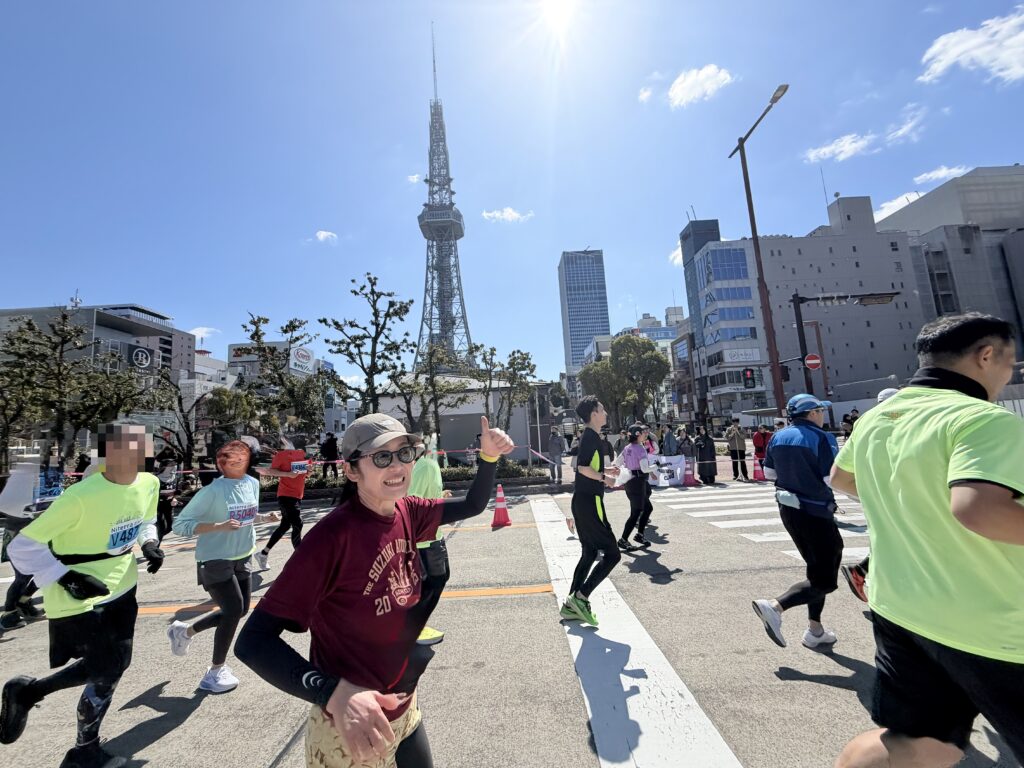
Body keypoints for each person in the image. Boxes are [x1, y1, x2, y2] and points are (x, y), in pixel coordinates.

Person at [234, 414, 514, 768]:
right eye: (381, 457)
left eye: (404, 453)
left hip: (405, 708)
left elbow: (473, 505)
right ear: (352, 471)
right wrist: (332, 693)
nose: (397, 465)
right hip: (349, 731)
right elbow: (253, 642)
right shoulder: (332, 539)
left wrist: (488, 457)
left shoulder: (407, 511)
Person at [831, 314, 1024, 768]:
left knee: (917, 744)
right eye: (1009, 362)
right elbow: (977, 509)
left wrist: (912, 502)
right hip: (997, 622)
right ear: (985, 355)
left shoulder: (879, 418)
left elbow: (840, 477)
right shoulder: (983, 420)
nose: (1009, 374)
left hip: (902, 608)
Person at [0, 423, 164, 768]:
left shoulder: (149, 483)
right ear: (107, 453)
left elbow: (147, 519)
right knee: (108, 665)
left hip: (123, 586)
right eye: (123, 449)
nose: (132, 456)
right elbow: (22, 547)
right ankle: (81, 749)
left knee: (114, 666)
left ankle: (36, 700)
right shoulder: (80, 497)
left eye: (139, 449)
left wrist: (150, 542)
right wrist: (65, 577)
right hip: (77, 595)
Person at [166, 441, 281, 693]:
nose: (239, 463)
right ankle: (215, 672)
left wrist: (264, 518)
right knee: (231, 612)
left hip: (243, 556)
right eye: (233, 460)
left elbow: (246, 517)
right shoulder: (212, 491)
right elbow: (180, 525)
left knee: (239, 611)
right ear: (222, 463)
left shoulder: (251, 484)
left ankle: (185, 631)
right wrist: (217, 526)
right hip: (215, 558)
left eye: (243, 458)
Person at [752, 394, 841, 650]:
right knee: (825, 579)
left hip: (789, 510)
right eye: (821, 411)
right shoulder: (823, 438)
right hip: (817, 512)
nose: (823, 415)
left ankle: (815, 629)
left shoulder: (779, 436)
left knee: (815, 569)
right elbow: (830, 478)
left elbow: (770, 473)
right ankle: (777, 606)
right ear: (812, 412)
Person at [559, 396, 621, 627]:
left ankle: (571, 605)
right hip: (590, 502)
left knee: (589, 553)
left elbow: (589, 465)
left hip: (583, 502)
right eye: (602, 408)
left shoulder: (591, 437)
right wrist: (606, 479)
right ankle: (581, 597)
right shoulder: (591, 437)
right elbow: (582, 467)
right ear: (594, 414)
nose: (605, 412)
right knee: (613, 555)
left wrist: (606, 469)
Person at [839, 387, 901, 603]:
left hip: (868, 489)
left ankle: (863, 571)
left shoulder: (866, 422)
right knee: (900, 537)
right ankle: (865, 572)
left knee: (891, 536)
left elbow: (838, 474)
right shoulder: (900, 423)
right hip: (894, 491)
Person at [255, 437, 309, 570]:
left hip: (298, 495)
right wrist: (288, 474)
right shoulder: (281, 455)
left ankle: (263, 553)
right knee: (298, 523)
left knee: (285, 526)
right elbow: (270, 471)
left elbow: (306, 472)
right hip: (285, 495)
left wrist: (309, 472)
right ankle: (301, 559)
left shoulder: (304, 454)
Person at [617, 424, 655, 551]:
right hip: (637, 483)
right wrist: (656, 466)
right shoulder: (640, 448)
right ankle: (623, 539)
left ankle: (639, 535)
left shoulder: (627, 447)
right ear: (638, 435)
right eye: (644, 432)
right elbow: (644, 468)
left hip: (631, 482)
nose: (646, 434)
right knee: (636, 512)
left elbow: (617, 462)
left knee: (647, 508)